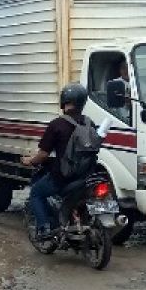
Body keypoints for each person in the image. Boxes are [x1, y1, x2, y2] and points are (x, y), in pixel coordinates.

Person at [22, 83, 89, 239]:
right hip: (86, 175)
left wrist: (30, 161)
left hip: (63, 177)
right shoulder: (88, 123)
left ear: (64, 101)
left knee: (36, 193)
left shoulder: (57, 125)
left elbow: (43, 155)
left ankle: (44, 229)